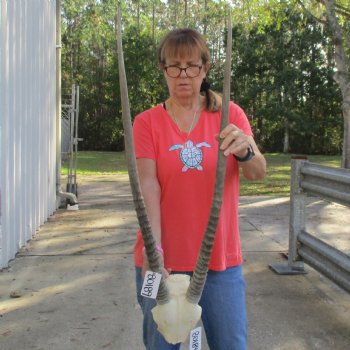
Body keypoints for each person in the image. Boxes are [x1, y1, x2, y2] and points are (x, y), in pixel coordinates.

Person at [133, 28, 266, 350]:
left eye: (191, 65)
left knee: (231, 344)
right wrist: (155, 252)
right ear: (162, 69)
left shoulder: (229, 115)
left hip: (219, 262)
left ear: (205, 68)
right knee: (162, 344)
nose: (183, 75)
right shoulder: (147, 122)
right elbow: (147, 185)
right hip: (162, 263)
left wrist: (246, 150)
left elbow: (257, 173)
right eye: (173, 66)